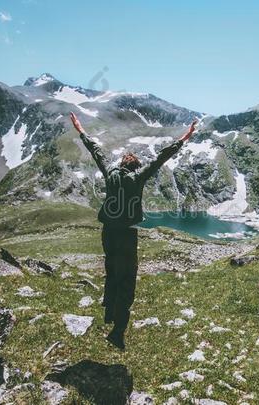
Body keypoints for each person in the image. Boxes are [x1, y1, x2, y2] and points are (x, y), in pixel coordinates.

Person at [70, 112, 198, 350]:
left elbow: (95, 150)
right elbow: (162, 157)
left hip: (108, 232)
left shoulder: (110, 172)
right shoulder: (139, 177)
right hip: (127, 234)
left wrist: (80, 128)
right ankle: (117, 331)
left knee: (111, 269)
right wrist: (185, 137)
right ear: (136, 166)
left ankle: (109, 310)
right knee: (127, 279)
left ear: (121, 165)